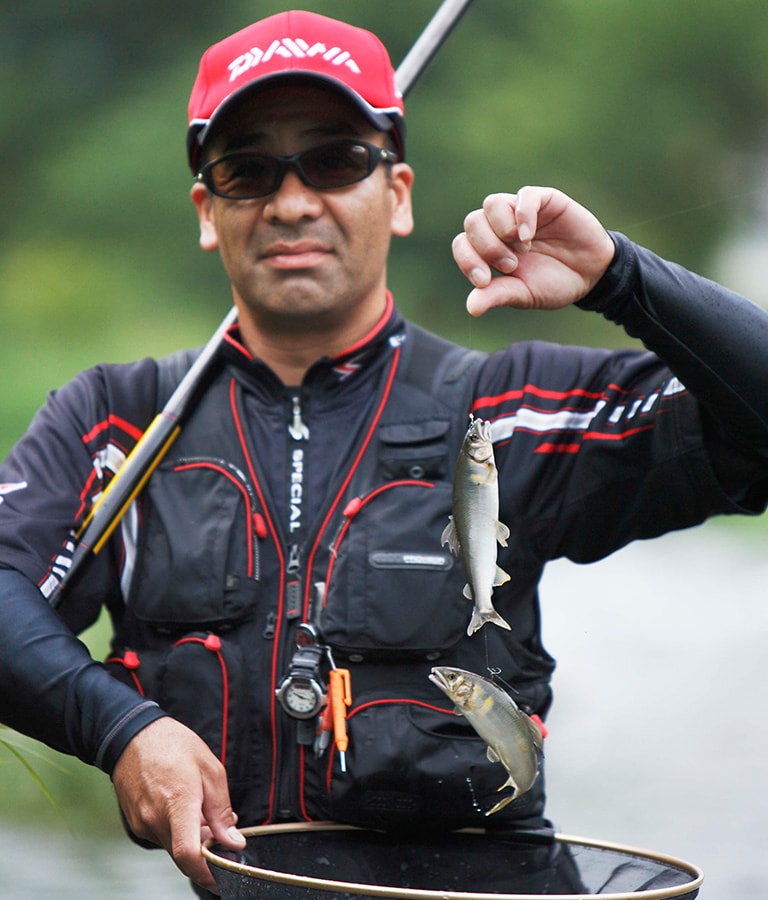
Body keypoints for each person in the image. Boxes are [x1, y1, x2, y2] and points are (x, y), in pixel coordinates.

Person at [1, 9, 767, 897]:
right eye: (248, 171)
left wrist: (620, 279)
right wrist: (123, 730)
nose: (292, 201)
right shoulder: (114, 422)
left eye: (334, 160)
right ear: (209, 212)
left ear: (397, 192)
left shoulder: (509, 415)